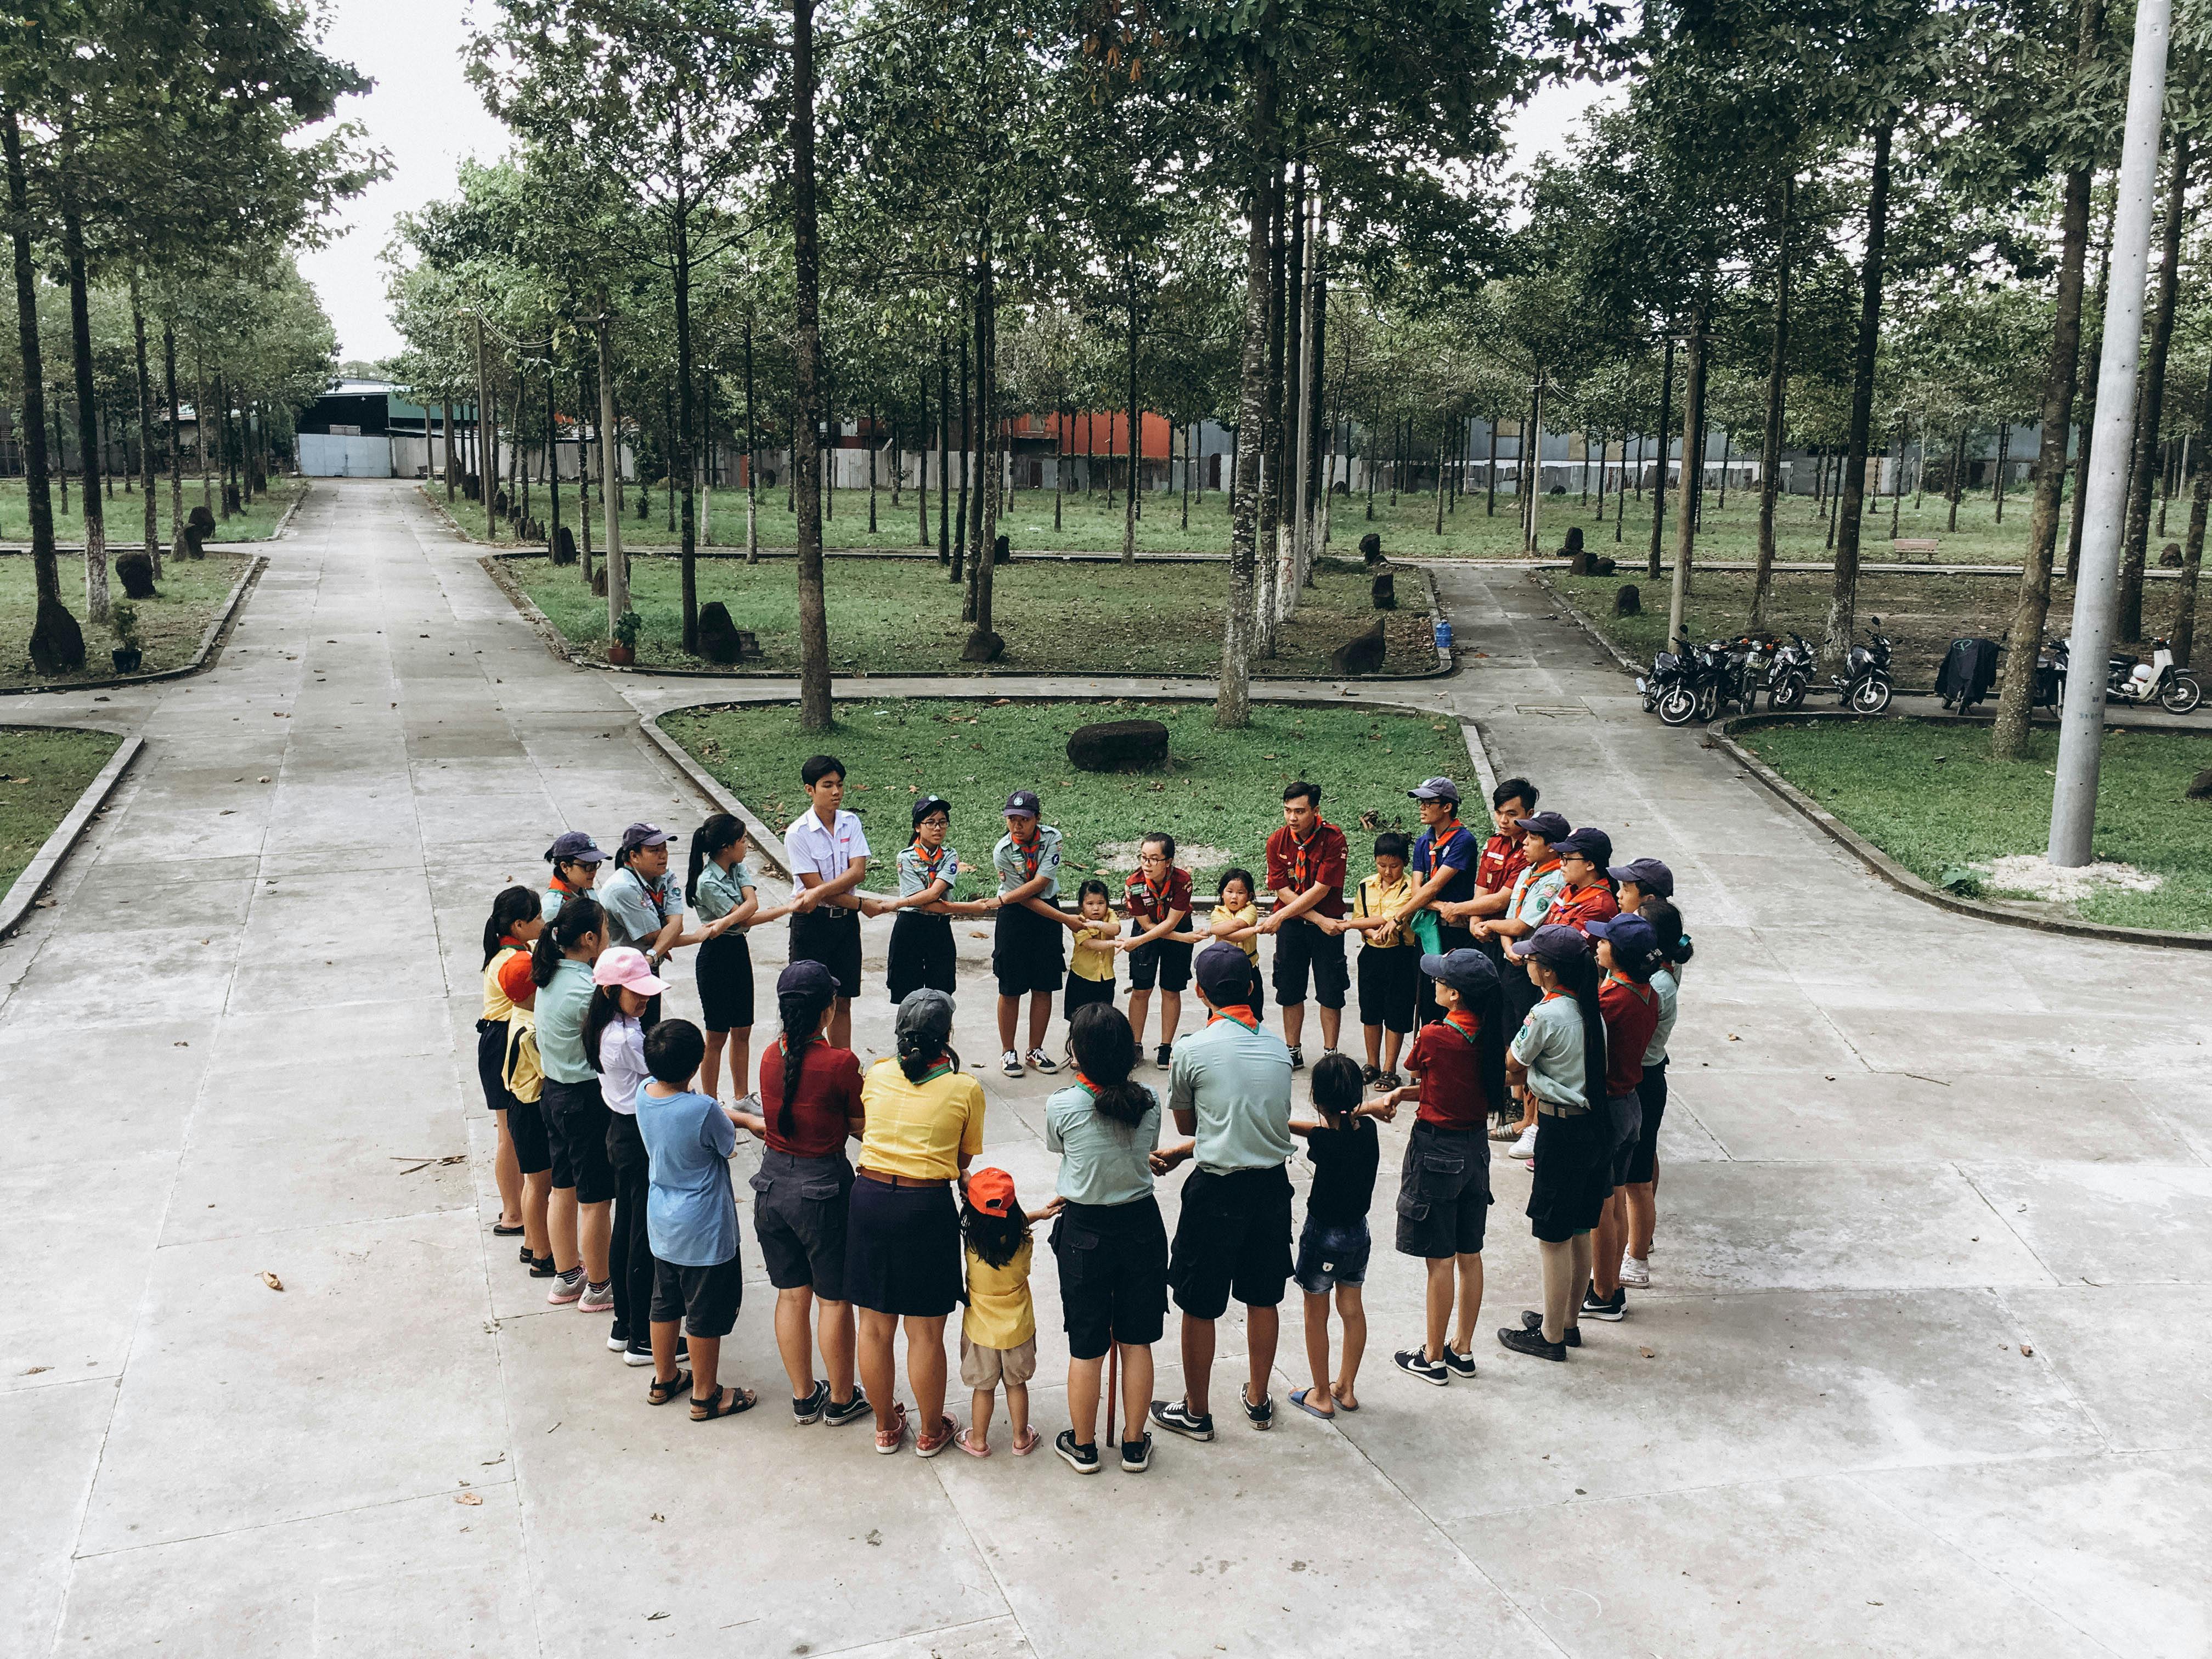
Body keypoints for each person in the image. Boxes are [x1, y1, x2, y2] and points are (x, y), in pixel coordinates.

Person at [1149, 943, 1296, 1442]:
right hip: (1273, 1187)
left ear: (1199, 993)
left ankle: (1196, 1410)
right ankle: (1258, 1398)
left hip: (1216, 1190)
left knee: (1199, 1301)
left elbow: (1190, 1121)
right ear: (1251, 990)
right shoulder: (1279, 1048)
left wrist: (1187, 1148)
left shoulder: (1191, 1049)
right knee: (1263, 1296)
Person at [851, 989, 986, 1456]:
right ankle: (932, 1430)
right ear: (946, 1037)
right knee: (925, 1331)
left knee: (873, 1326)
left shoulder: (878, 1073)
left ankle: (887, 1426)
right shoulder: (964, 1087)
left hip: (868, 1199)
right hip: (925, 1206)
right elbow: (962, 1156)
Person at [1371, 947, 1506, 1385]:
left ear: (1454, 995)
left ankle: (1432, 1356)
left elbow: (1420, 1071)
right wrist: (1401, 1096)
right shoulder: (1491, 1035)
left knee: (1439, 1260)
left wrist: (1397, 1093)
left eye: (1441, 981)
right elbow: (1448, 1084)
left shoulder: (1433, 1035)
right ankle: (1462, 1349)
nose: (1434, 984)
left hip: (1435, 1150)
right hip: (1474, 1149)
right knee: (1470, 1253)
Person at [1046, 1003, 1167, 1475]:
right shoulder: (1150, 1101)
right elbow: (1151, 1148)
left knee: (1087, 1344)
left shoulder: (1062, 1105)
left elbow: (1060, 1147)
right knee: (1137, 1341)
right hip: (1141, 1227)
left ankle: (1083, 1445)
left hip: (1084, 1232)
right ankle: (1135, 1445)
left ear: (1078, 1051)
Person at [751, 961, 872, 1428]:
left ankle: (804, 1397)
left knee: (790, 1294)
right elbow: (861, 1127)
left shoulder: (766, 1056)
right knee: (834, 1299)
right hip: (823, 1191)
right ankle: (842, 1398)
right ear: (829, 1010)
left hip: (771, 1186)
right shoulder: (840, 1062)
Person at [1495, 925, 1612, 1362]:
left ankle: (1549, 1337)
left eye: (1531, 960)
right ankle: (1567, 1321)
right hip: (1592, 1128)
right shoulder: (1589, 1009)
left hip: (1560, 1131)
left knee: (1552, 1235)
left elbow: (1513, 1063)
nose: (1525, 963)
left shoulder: (1544, 1015)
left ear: (1546, 972)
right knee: (1580, 1228)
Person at [635, 1018, 757, 1419]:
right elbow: (725, 1145)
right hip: (704, 1228)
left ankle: (665, 1377)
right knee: (705, 1312)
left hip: (663, 1222)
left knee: (665, 1302)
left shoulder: (643, 1094)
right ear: (695, 1066)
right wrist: (746, 1120)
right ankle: (706, 1395)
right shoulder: (702, 1108)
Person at [1287, 1053, 1393, 1420]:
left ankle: (1320, 1393)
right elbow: (1336, 1122)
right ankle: (1346, 1387)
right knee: (1352, 1309)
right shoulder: (1369, 1130)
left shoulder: (1327, 1143)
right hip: (1358, 1236)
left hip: (1324, 1237)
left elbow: (1308, 1130)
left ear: (1317, 1099)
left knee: (1316, 1313)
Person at [531, 895, 616, 1316]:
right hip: (585, 1100)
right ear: (589, 938)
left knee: (562, 1187)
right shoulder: (586, 989)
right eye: (605, 928)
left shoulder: (549, 975)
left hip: (554, 1094)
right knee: (596, 1198)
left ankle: (568, 1275)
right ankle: (599, 1285)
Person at [588, 947, 670, 1367]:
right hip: (635, 1135)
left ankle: (624, 1325)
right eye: (634, 992)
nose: (644, 999)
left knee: (627, 1228)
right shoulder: (627, 1037)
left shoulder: (612, 1026)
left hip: (621, 1131)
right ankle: (642, 1338)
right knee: (641, 1237)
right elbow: (664, 1070)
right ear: (609, 991)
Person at [1472, 811, 1568, 1156]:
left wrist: (1498, 931)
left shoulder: (1555, 879)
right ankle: (1525, 1115)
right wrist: (1507, 943)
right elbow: (1511, 921)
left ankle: (1531, 1120)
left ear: (1552, 846)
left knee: (1529, 1046)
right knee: (1511, 1032)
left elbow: (1520, 923)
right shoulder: (1528, 872)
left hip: (1533, 967)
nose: (1524, 843)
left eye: (1532, 839)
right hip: (1515, 962)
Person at [1582, 914, 1663, 1323]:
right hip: (1631, 1101)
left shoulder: (1611, 1001)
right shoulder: (1649, 993)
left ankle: (1602, 1291)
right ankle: (1609, 1286)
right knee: (1614, 1198)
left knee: (1602, 1207)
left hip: (1609, 1106)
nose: (1597, 945)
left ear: (1621, 954)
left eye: (1604, 942)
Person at [686, 814, 786, 1102]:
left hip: (737, 951)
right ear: (726, 846)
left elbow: (747, 911)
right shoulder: (707, 882)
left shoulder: (737, 868)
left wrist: (738, 916)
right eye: (742, 841)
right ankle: (712, 1099)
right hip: (716, 958)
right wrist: (786, 909)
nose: (746, 846)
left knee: (743, 1028)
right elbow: (745, 918)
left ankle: (741, 1097)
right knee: (716, 1035)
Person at [479, 887, 551, 1271]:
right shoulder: (516, 961)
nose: (544, 922)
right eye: (538, 917)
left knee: (508, 1134)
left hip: (496, 1040)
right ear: (520, 925)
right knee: (512, 1136)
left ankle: (518, 1217)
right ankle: (515, 1215)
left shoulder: (505, 952)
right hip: (505, 1042)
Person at [1621, 895, 1690, 1290]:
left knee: (1636, 1181)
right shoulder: (1660, 973)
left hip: (1643, 1079)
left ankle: (1638, 1258)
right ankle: (1641, 1238)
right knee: (1643, 1165)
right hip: (1648, 1074)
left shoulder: (1656, 986)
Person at [956, 1167, 1048, 1458]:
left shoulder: (971, 1244)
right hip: (1018, 1328)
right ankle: (1021, 1438)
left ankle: (979, 1440)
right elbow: (1016, 1226)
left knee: (983, 1389)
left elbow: (986, 1220)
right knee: (1016, 1384)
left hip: (981, 1332)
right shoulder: (1024, 1243)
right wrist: (1040, 1214)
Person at [873, 795, 998, 1006]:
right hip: (910, 928)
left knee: (942, 993)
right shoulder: (906, 857)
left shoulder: (950, 856)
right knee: (906, 995)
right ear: (917, 828)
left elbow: (935, 892)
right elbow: (928, 900)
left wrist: (898, 902)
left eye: (942, 822)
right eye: (930, 822)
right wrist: (972, 908)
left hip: (939, 929)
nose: (937, 828)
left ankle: (941, 1037)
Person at [1260, 781, 1351, 1070]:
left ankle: (1330, 1052)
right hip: (1297, 926)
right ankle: (1292, 1049)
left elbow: (1322, 888)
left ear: (1316, 810)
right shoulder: (1277, 841)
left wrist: (1284, 916)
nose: (1292, 818)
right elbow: (1282, 890)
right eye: (1287, 811)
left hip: (1328, 928)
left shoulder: (1333, 839)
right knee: (1289, 988)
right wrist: (1317, 919)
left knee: (1331, 989)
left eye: (1299, 811)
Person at [784, 754, 870, 1049]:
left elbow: (858, 872)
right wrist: (859, 904)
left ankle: (841, 1060)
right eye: (827, 785)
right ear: (810, 790)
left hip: (844, 926)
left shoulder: (851, 822)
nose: (836, 792)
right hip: (812, 924)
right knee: (809, 1000)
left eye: (840, 785)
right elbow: (814, 886)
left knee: (843, 1000)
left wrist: (821, 892)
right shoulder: (798, 833)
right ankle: (806, 1061)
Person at [992, 789, 1081, 1077]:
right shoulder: (1003, 850)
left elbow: (1042, 881)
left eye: (1024, 819)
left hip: (1046, 915)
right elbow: (1023, 897)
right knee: (1010, 987)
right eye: (1012, 819)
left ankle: (1035, 1050)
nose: (1017, 825)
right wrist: (1066, 919)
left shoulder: (1052, 838)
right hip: (1015, 915)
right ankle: (1008, 1052)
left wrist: (1061, 918)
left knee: (1044, 984)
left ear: (1037, 819)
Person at [1336, 832, 1419, 1086]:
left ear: (1404, 863)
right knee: (1370, 1011)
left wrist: (1347, 924)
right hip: (1372, 954)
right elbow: (1365, 919)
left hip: (1402, 955)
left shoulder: (1410, 889)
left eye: (1394, 866)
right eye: (1382, 865)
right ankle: (1372, 1064)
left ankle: (1389, 1068)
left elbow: (1391, 918)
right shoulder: (1365, 885)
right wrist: (1368, 932)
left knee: (1397, 1011)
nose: (1387, 872)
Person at [1397, 778, 1479, 1028]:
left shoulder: (1463, 840)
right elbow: (1417, 889)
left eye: (1428, 802)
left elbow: (1434, 886)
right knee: (1428, 999)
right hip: (1427, 928)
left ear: (1447, 807)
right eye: (1421, 802)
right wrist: (1437, 906)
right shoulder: (1424, 841)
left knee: (1452, 998)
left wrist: (1399, 916)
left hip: (1453, 932)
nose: (1422, 807)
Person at [1120, 833, 1193, 1071]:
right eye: (1143, 858)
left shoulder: (1183, 881)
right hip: (1147, 931)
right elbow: (1149, 926)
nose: (1147, 864)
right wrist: (1182, 939)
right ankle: (1134, 1045)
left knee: (1171, 990)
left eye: (1154, 859)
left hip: (1176, 928)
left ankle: (1166, 1047)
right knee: (1141, 989)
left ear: (1168, 861)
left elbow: (1171, 924)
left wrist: (1138, 941)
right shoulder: (1134, 884)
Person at [599, 825, 686, 981]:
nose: (663, 856)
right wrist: (699, 936)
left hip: (648, 965)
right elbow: (653, 937)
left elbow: (677, 925)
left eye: (664, 848)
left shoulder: (665, 874)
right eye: (654, 851)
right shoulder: (622, 888)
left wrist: (653, 955)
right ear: (634, 856)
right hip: (625, 973)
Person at [1188, 867, 1266, 1015]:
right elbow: (1231, 935)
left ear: (1250, 896)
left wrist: (1215, 931)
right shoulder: (1217, 913)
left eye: (1240, 893)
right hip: (1222, 971)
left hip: (1249, 968)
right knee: (1219, 1011)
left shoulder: (1251, 910)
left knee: (1252, 1012)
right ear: (1222, 894)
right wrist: (1256, 930)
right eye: (1230, 892)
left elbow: (1237, 927)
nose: (1234, 897)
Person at [1064, 879, 1121, 1026]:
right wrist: (1112, 943)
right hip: (1082, 978)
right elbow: (1089, 944)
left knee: (1105, 1020)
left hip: (1106, 978)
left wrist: (1098, 924)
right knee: (1079, 1020)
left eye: (1101, 903)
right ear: (1081, 905)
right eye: (1090, 904)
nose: (1096, 908)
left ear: (1107, 904)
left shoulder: (1110, 915)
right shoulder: (1078, 921)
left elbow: (1116, 930)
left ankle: (1101, 1049)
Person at [1542, 829, 1620, 933]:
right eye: (1562, 856)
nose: (1561, 862)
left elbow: (1562, 946)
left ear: (1590, 865)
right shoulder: (1569, 890)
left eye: (1567, 858)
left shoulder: (1598, 908)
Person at [540, 829, 607, 922]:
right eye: (587, 866)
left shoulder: (583, 887)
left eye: (595, 865)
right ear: (565, 867)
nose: (593, 872)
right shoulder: (554, 909)